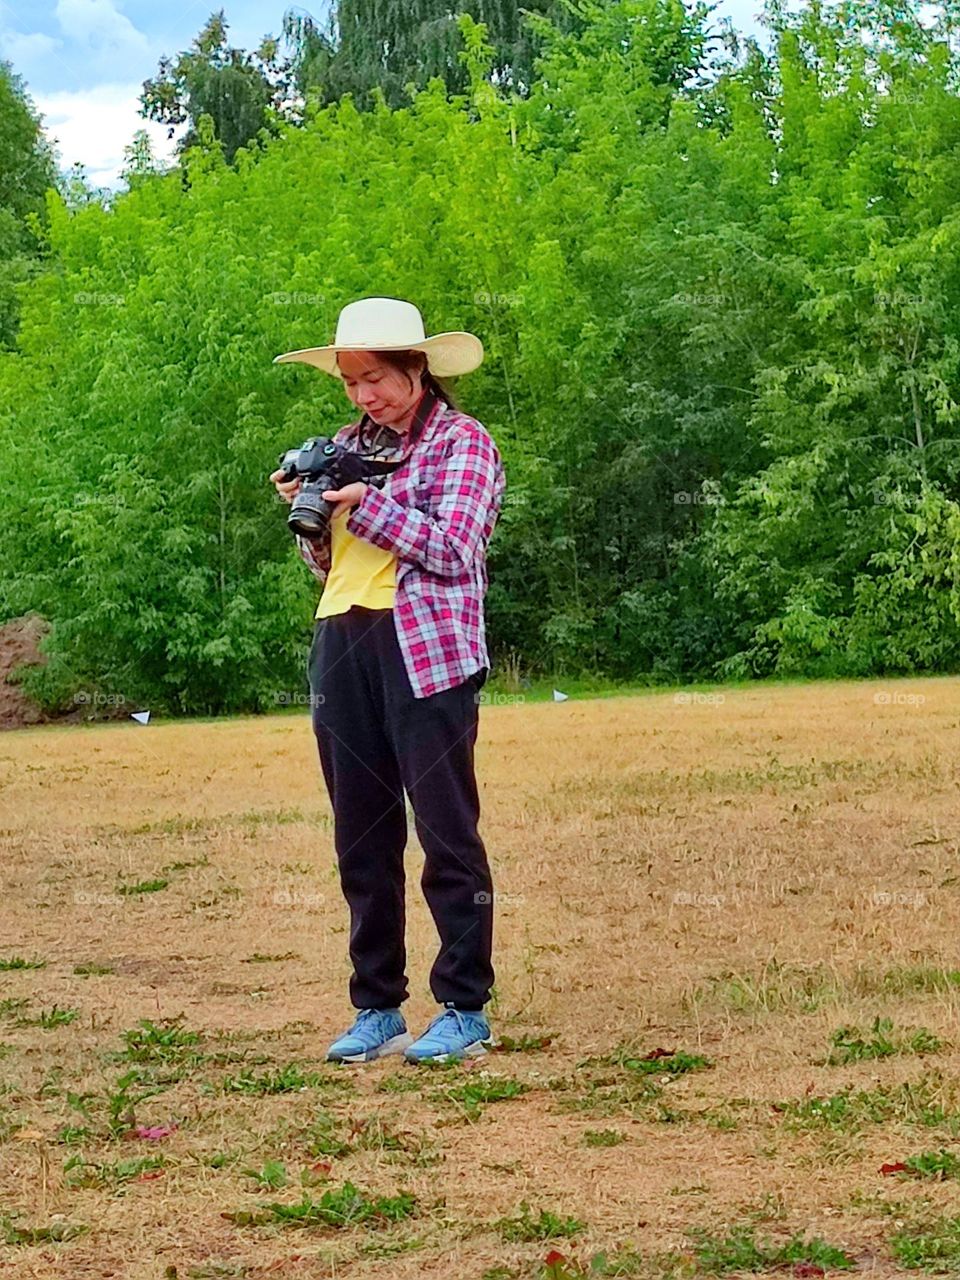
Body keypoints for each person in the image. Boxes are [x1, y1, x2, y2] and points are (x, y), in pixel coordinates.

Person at [269, 296, 506, 1065]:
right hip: (343, 641)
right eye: (349, 381)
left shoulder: (463, 443)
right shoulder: (341, 446)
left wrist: (367, 505)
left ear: (417, 368)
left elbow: (454, 548)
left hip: (428, 650)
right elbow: (332, 561)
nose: (363, 396)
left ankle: (464, 1007)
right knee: (360, 838)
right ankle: (377, 1007)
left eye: (375, 378)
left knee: (445, 833)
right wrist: (309, 513)